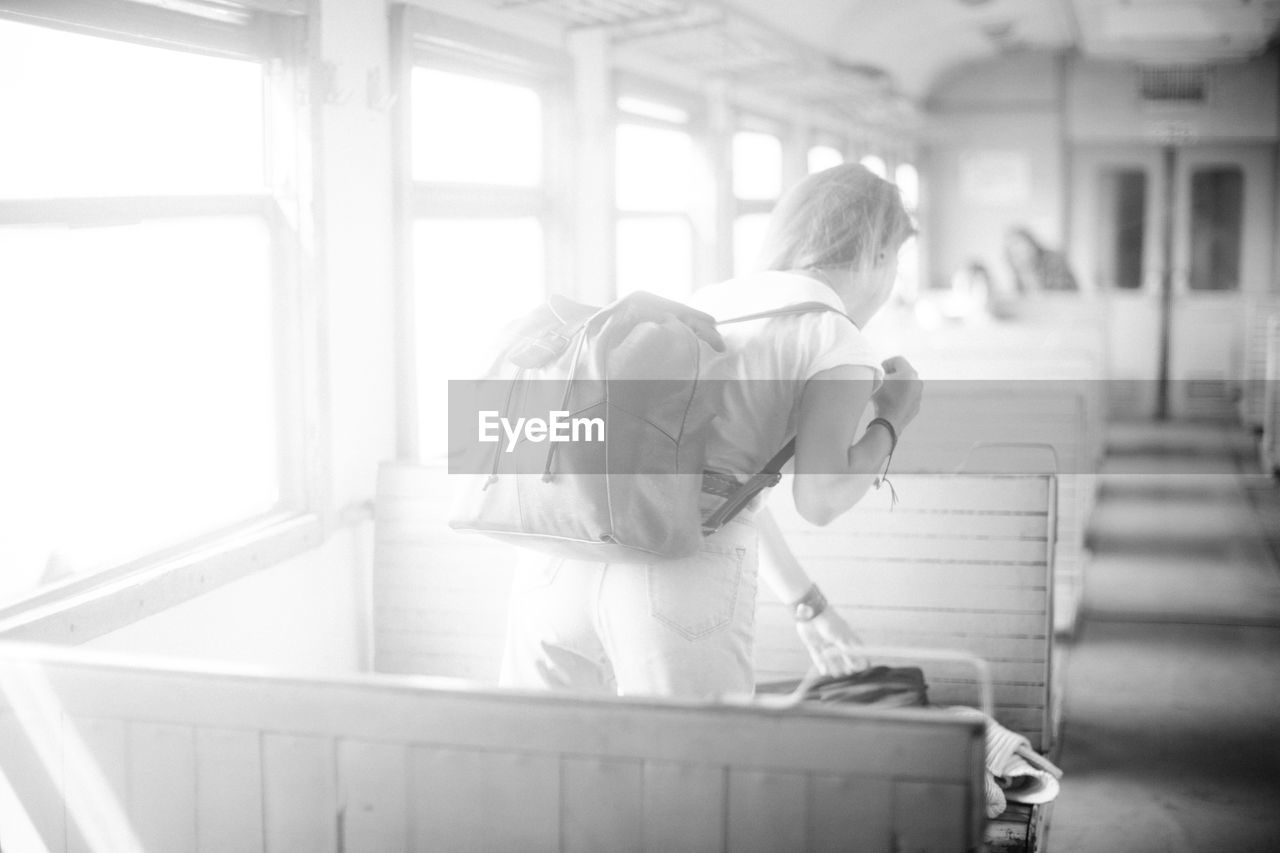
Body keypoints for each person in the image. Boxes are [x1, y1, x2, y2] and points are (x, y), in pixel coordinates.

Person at [498, 163, 924, 697]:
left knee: (549, 768)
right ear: (881, 253)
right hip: (676, 580)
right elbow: (821, 498)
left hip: (558, 558)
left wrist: (806, 602)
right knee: (695, 772)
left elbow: (714, 483)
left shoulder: (705, 301)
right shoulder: (832, 336)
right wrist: (893, 417)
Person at [1004, 227, 1078, 293]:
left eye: (1017, 243)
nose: (1015, 251)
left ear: (1031, 244)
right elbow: (1023, 300)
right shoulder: (1020, 271)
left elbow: (1058, 295)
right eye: (1011, 251)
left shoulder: (1053, 260)